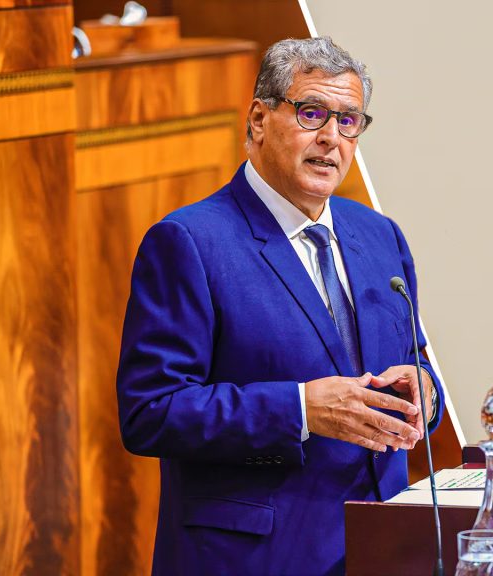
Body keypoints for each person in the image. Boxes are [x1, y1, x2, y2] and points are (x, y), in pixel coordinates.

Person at [116, 37, 444, 576]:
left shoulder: (380, 235)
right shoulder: (189, 242)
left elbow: (415, 363)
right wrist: (299, 410)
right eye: (312, 113)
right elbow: (150, 413)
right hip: (254, 558)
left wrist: (425, 394)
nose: (331, 138)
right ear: (259, 119)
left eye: (348, 121)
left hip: (381, 548)